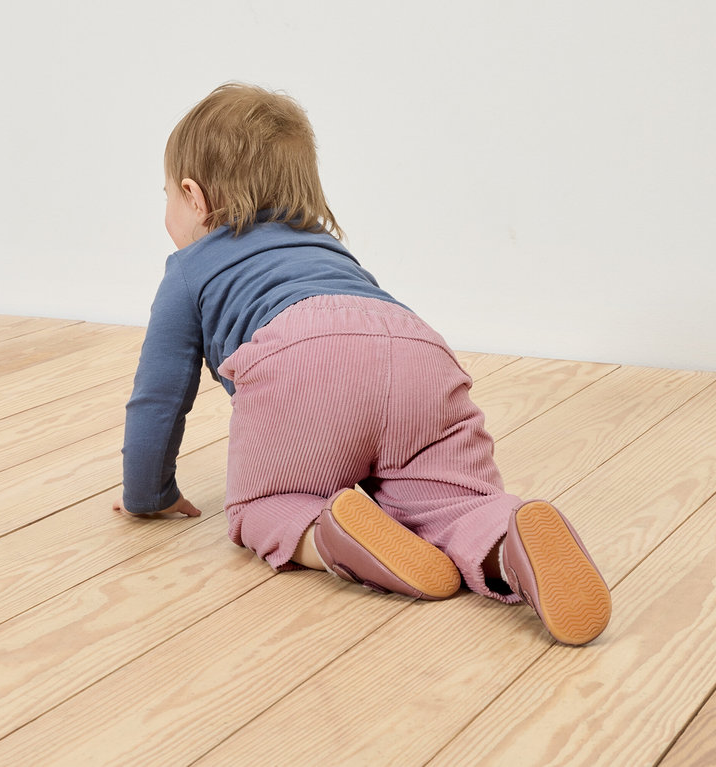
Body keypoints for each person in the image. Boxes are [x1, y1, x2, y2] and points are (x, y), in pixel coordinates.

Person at [114, 83, 611, 645]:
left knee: (262, 506)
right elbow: (360, 342)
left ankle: (334, 535)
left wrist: (147, 495)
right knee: (453, 500)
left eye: (165, 195)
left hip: (304, 359)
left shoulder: (188, 269)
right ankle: (506, 535)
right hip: (419, 350)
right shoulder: (327, 247)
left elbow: (158, 397)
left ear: (192, 195)